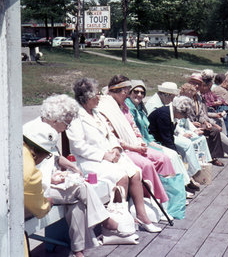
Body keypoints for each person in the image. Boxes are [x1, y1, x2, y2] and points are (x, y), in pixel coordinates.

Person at [23, 94, 134, 257]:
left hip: (45, 183)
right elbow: (32, 166)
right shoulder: (35, 132)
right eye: (67, 123)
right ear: (55, 120)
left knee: (77, 202)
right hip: (37, 191)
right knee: (81, 188)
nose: (67, 127)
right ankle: (105, 222)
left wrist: (67, 166)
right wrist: (52, 177)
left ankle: (78, 250)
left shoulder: (46, 128)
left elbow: (49, 156)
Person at [67, 78, 162, 233]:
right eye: (97, 95)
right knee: (121, 176)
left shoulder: (96, 113)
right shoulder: (77, 117)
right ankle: (118, 220)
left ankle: (141, 215)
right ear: (87, 98)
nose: (99, 97)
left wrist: (116, 148)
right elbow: (78, 147)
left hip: (110, 156)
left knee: (136, 172)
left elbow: (110, 135)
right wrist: (104, 155)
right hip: (90, 161)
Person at [97, 75, 176, 205]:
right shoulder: (106, 108)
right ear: (114, 91)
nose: (127, 94)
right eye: (125, 91)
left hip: (135, 144)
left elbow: (133, 127)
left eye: (128, 91)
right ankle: (153, 202)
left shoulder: (124, 107)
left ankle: (170, 200)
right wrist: (134, 147)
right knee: (147, 165)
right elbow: (113, 138)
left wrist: (139, 140)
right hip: (123, 150)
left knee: (163, 158)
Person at [125, 80, 191, 186]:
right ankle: (180, 185)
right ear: (130, 93)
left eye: (142, 93)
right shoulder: (129, 109)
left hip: (148, 139)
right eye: (136, 91)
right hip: (140, 142)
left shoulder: (140, 108)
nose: (139, 94)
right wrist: (151, 142)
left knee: (173, 154)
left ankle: (183, 183)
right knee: (170, 155)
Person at [148, 96, 206, 179]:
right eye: (184, 115)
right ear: (179, 111)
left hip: (161, 138)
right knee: (174, 155)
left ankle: (190, 175)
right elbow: (166, 139)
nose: (184, 118)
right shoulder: (164, 115)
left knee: (181, 149)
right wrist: (176, 152)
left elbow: (169, 136)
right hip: (152, 140)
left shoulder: (170, 113)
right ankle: (184, 180)